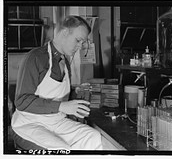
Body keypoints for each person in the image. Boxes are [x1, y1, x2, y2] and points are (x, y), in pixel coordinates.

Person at [11, 15, 103, 150]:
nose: (79, 46)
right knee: (62, 149)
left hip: (56, 121)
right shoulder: (35, 58)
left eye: (82, 43)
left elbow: (56, 93)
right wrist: (62, 106)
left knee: (92, 137)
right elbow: (22, 101)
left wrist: (75, 92)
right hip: (30, 123)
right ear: (65, 32)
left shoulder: (65, 62)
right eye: (78, 40)